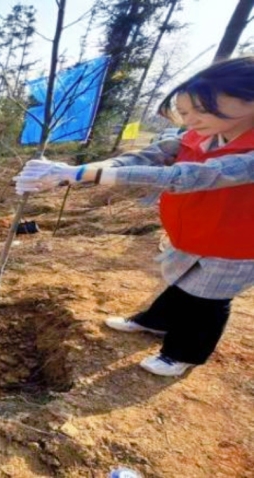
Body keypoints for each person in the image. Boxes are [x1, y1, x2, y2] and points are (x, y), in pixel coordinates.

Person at [14, 56, 254, 377]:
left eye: (201, 109)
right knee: (182, 283)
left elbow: (189, 177)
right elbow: (144, 157)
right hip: (193, 231)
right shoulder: (195, 136)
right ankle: (156, 321)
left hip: (235, 243)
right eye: (184, 112)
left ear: (248, 100)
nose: (191, 119)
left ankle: (183, 353)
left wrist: (84, 174)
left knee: (208, 300)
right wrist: (73, 172)